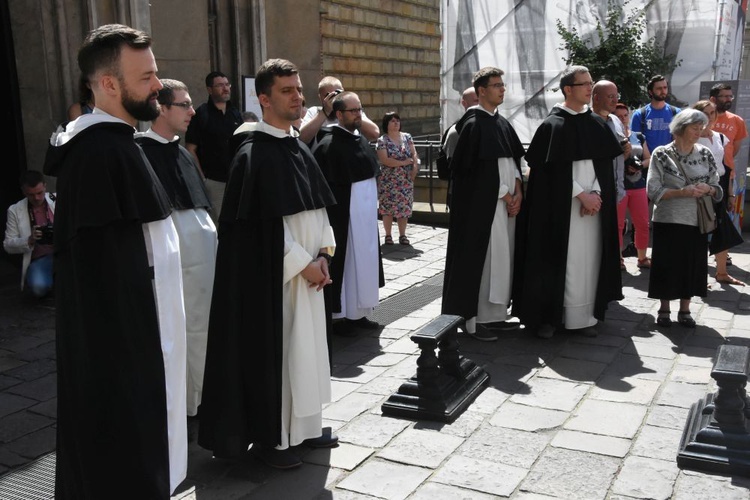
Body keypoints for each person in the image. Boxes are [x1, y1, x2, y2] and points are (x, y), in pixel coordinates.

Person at [43, 24, 187, 499]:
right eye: (145, 77)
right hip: (126, 352)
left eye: (156, 74)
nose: (158, 86)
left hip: (147, 337)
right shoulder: (98, 151)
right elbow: (103, 283)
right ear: (108, 84)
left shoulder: (121, 141)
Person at [198, 58, 338, 470]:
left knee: (308, 354)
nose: (298, 97)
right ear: (263, 98)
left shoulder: (295, 145)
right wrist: (302, 264)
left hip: (311, 273)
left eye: (299, 89)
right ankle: (274, 439)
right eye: (287, 91)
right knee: (282, 358)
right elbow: (258, 229)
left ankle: (306, 428)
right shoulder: (253, 152)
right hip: (279, 281)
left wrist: (325, 254)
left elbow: (317, 207)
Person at [513, 65, 623, 339]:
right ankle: (551, 316)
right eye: (584, 83)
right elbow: (547, 174)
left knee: (589, 261)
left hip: (593, 210)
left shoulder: (597, 123)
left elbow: (603, 169)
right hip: (560, 210)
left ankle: (584, 317)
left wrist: (596, 195)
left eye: (590, 82)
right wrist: (580, 194)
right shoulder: (552, 126)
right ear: (568, 89)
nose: (590, 88)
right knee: (558, 259)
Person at [135, 79, 218, 418]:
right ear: (162, 108)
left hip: (202, 262)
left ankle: (201, 397)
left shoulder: (181, 151)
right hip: (175, 260)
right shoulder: (140, 151)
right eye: (184, 105)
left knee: (204, 328)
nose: (192, 111)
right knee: (180, 329)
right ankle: (185, 402)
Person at [442, 67, 525, 341]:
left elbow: (512, 161)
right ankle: (474, 319)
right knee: (483, 260)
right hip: (483, 209)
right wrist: (503, 194)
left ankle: (496, 316)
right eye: (496, 85)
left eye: (503, 84)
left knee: (503, 259)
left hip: (505, 206)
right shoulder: (472, 125)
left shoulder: (501, 123)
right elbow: (471, 174)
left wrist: (518, 193)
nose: (502, 89)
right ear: (481, 91)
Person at [313, 91, 383, 337]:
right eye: (353, 111)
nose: (358, 115)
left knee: (363, 263)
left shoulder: (359, 138)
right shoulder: (328, 144)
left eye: (360, 110)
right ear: (339, 114)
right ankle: (339, 316)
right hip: (344, 219)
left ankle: (360, 312)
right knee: (346, 262)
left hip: (364, 219)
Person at [647, 109, 723, 327]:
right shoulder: (662, 153)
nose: (699, 131)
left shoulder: (705, 153)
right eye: (694, 127)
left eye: (701, 127)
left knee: (692, 265)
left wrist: (707, 188)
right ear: (680, 128)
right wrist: (683, 192)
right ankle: (664, 308)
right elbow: (653, 190)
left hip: (696, 219)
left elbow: (717, 187)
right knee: (666, 264)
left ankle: (685, 309)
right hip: (667, 219)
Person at [693, 100, 745, 286]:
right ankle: (696, 275)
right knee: (698, 231)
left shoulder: (720, 138)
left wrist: (730, 193)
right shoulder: (691, 137)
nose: (710, 117)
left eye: (713, 113)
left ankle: (721, 272)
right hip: (698, 187)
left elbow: (726, 167)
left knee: (722, 229)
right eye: (706, 113)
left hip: (719, 186)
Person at [185, 71, 243, 223]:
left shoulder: (235, 113)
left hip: (237, 180)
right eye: (220, 85)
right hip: (214, 182)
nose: (225, 88)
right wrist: (202, 179)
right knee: (219, 225)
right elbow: (191, 148)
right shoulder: (201, 114)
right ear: (210, 89)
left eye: (227, 84)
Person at [710, 83, 748, 272]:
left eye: (730, 96)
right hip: (702, 176)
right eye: (724, 96)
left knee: (722, 219)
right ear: (713, 99)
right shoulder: (703, 118)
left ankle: (721, 264)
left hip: (725, 176)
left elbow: (735, 149)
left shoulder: (737, 121)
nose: (728, 99)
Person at [3, 170, 56, 298]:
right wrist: (30, 239)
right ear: (23, 191)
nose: (36, 198)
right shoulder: (15, 210)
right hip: (40, 258)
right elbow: (8, 245)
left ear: (45, 186)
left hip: (64, 254)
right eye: (30, 195)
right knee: (39, 288)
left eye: (39, 193)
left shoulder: (58, 199)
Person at [614, 102, 651, 270]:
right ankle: (618, 258)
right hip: (619, 185)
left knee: (642, 223)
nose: (622, 119)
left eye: (625, 115)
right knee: (618, 224)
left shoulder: (638, 136)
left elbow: (649, 158)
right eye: (618, 116)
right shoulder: (611, 135)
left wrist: (639, 165)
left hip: (638, 185)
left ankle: (642, 257)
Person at [376, 111, 419, 245]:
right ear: (386, 124)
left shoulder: (407, 137)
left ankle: (403, 235)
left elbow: (414, 153)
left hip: (405, 179)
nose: (396, 123)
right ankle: (388, 235)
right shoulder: (382, 140)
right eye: (392, 121)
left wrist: (415, 167)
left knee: (404, 208)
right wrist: (404, 162)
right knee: (388, 208)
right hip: (389, 180)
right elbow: (385, 160)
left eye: (397, 121)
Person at [299, 76, 380, 145]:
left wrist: (349, 112)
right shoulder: (315, 112)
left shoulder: (352, 110)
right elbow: (301, 139)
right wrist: (325, 112)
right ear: (320, 97)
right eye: (329, 95)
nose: (334, 99)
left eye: (337, 94)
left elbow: (374, 134)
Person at [630, 75, 681, 169]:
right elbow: (635, 143)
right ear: (650, 92)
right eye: (659, 88)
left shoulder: (676, 113)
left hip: (671, 165)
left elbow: (680, 140)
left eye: (665, 87)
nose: (663, 91)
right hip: (647, 166)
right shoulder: (640, 115)